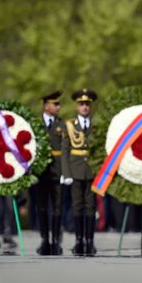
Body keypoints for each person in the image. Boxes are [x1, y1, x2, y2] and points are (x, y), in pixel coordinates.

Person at [61, 88, 98, 256]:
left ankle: (89, 241)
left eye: (87, 104)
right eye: (81, 104)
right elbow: (65, 151)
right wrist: (66, 173)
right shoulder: (69, 125)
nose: (84, 107)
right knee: (77, 206)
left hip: (92, 171)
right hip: (75, 171)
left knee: (91, 206)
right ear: (77, 106)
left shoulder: (96, 125)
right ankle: (78, 240)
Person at [35, 90, 65, 255]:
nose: (58, 106)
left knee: (58, 207)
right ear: (46, 106)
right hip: (41, 172)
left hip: (57, 170)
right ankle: (45, 239)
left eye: (58, 103)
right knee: (41, 207)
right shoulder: (36, 124)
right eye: (55, 104)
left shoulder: (62, 124)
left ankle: (56, 240)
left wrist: (65, 171)